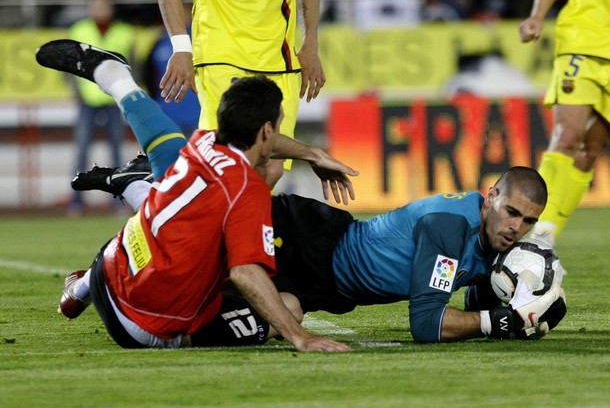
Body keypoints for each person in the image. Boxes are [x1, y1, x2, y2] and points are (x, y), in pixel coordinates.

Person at [36, 39, 357, 351]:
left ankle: (87, 276)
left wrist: (312, 153)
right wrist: (300, 337)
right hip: (140, 326)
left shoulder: (204, 142)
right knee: (289, 306)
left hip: (106, 270)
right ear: (266, 130)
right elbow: (246, 273)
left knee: (175, 213)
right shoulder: (248, 191)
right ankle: (136, 184)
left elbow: (160, 133)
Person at [75, 156, 568, 343]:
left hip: (324, 285)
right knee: (196, 242)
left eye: (528, 221)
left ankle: (92, 284)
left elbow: (479, 300)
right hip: (309, 240)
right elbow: (428, 325)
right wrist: (499, 323)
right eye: (511, 212)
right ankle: (143, 185)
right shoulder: (448, 226)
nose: (516, 228)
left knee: (277, 315)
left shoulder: (495, 242)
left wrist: (525, 304)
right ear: (490, 196)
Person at [156, 0, 325, 187]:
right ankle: (160, 195)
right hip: (219, 56)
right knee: (226, 161)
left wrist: (310, 42)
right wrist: (181, 47)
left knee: (271, 170)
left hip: (279, 61)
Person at [519, 0, 610, 247]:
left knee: (590, 150)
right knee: (568, 136)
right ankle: (533, 237)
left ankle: (542, 240)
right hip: (582, 39)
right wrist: (537, 15)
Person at [67, 0, 136, 215]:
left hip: (115, 100)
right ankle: (76, 201)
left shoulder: (125, 32)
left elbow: (133, 65)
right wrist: (76, 92)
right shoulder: (79, 30)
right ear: (90, 8)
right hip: (87, 101)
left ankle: (117, 201)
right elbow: (68, 66)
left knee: (116, 153)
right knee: (81, 151)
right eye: (96, 5)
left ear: (111, 8)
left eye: (104, 5)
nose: (100, 9)